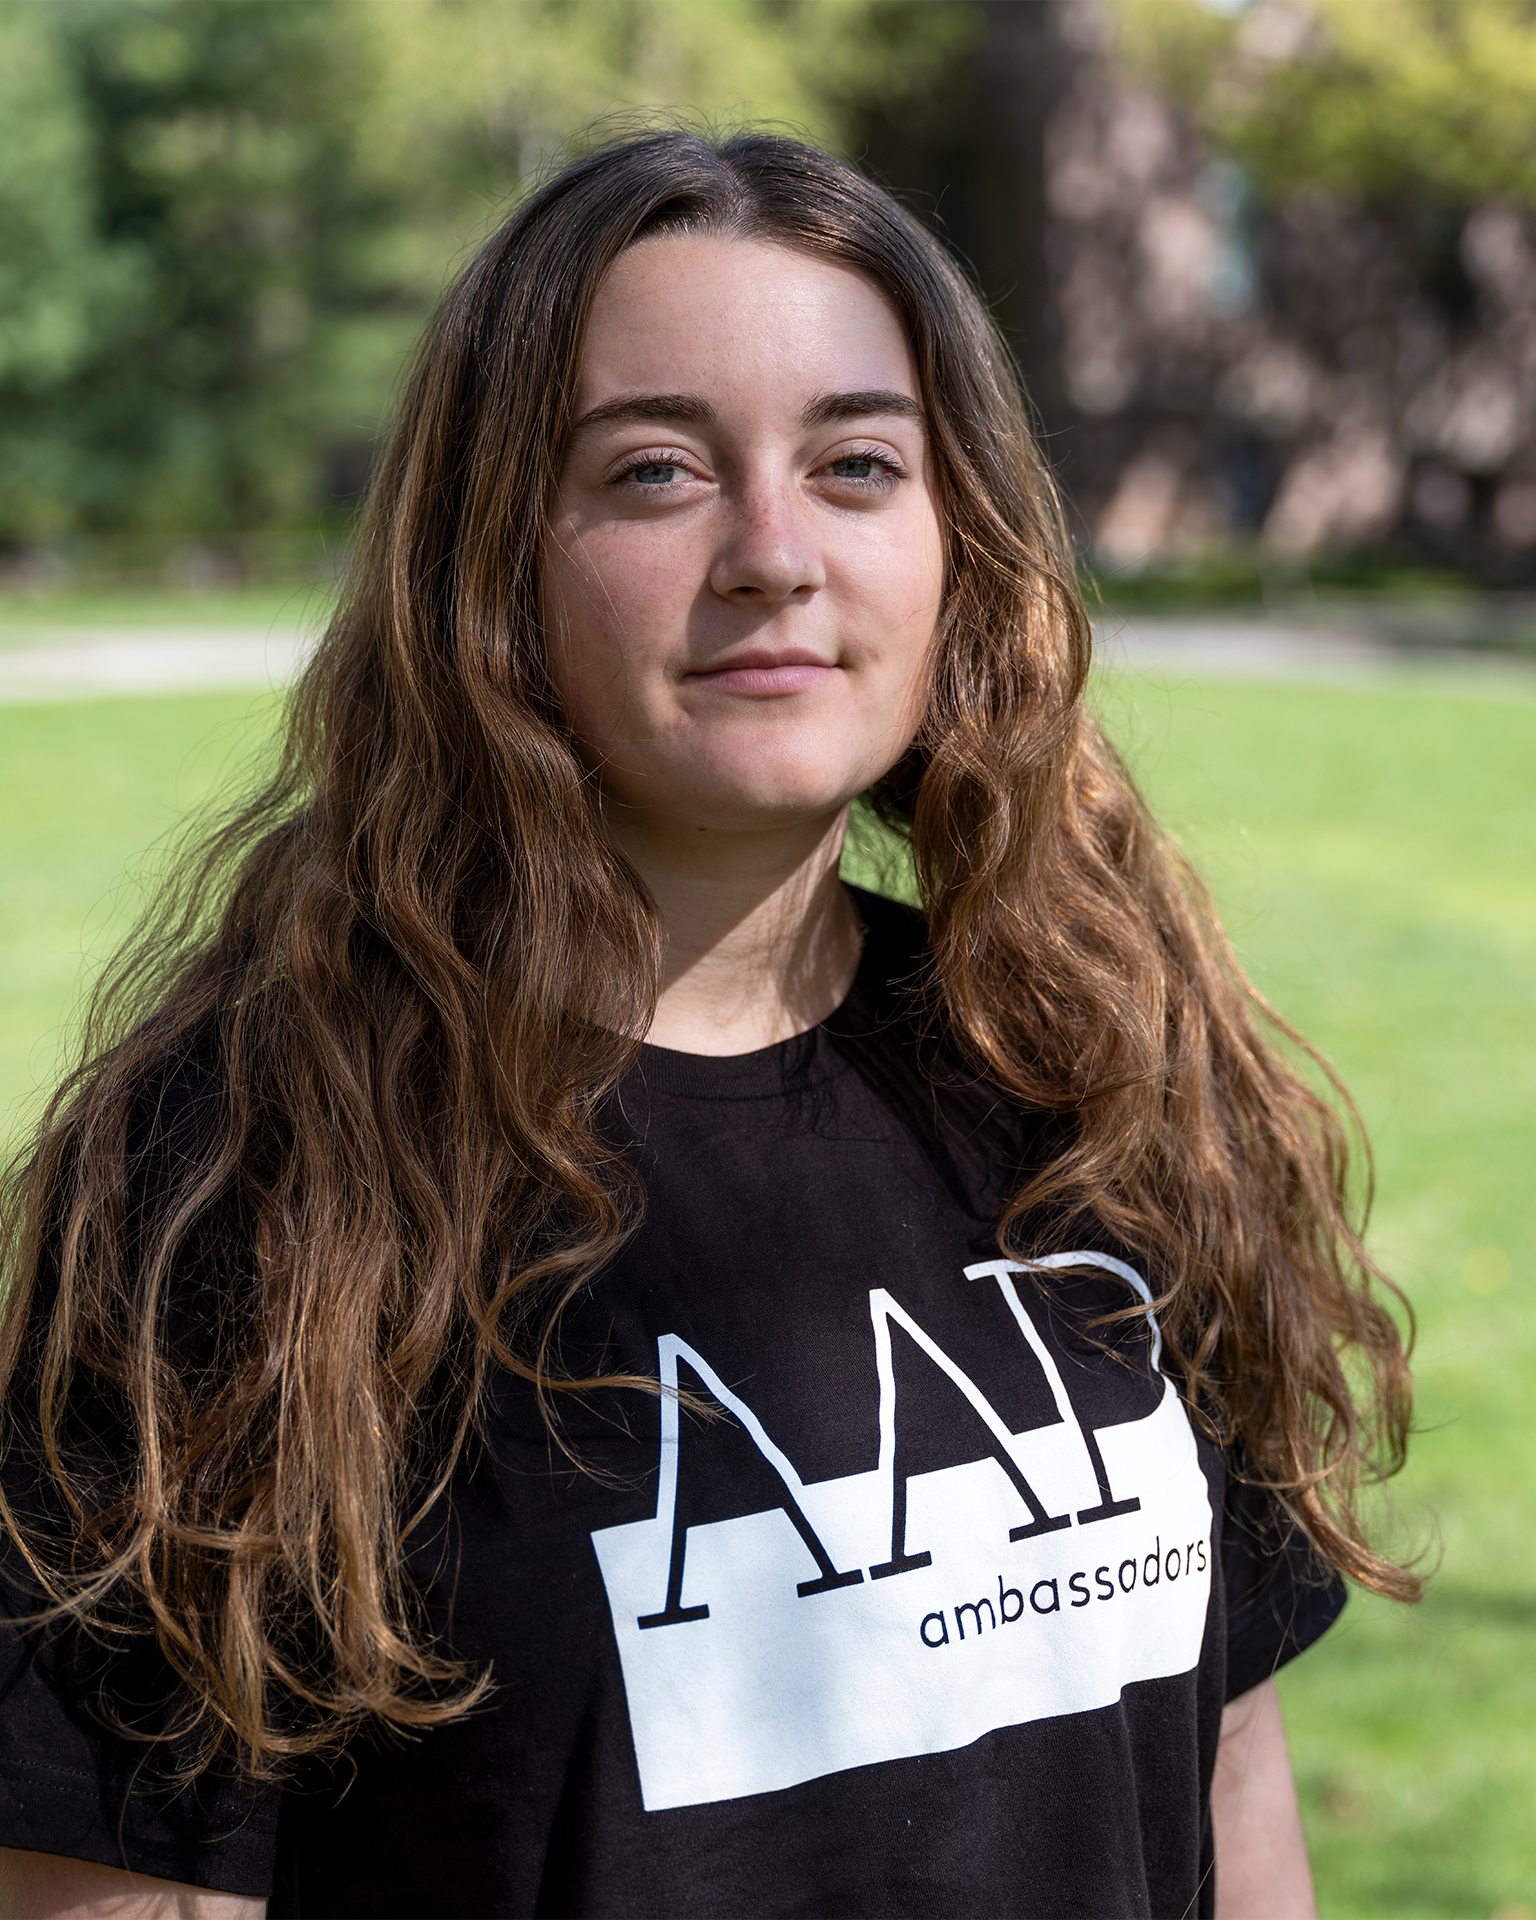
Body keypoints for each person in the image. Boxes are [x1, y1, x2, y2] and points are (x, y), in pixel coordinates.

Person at [0, 128, 1416, 1919]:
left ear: (958, 537)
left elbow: (1226, 1768)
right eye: (658, 471)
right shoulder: (251, 1176)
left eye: (857, 464)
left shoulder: (1093, 1068)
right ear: (493, 562)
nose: (773, 552)